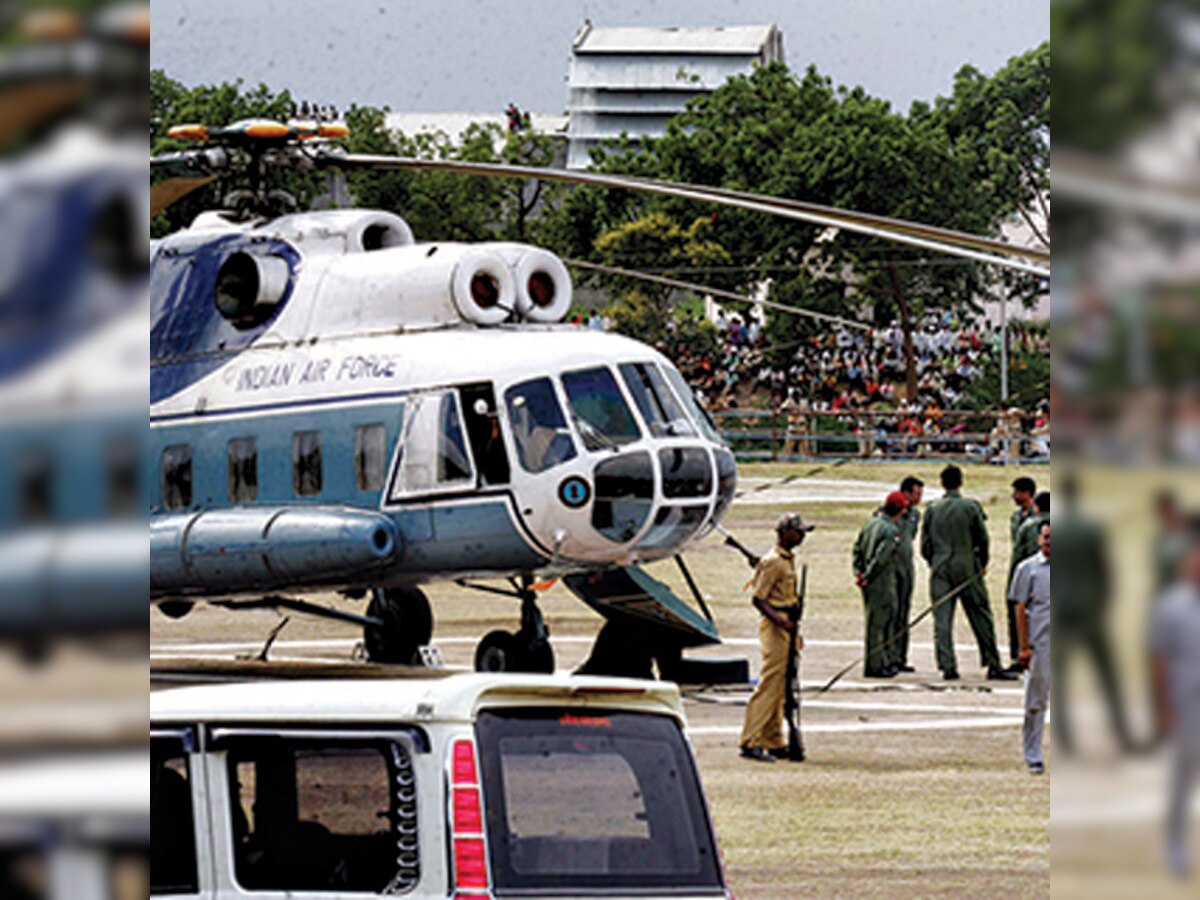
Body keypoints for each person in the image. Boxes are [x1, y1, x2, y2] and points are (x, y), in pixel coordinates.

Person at [1054, 473, 1135, 753]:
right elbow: (1105, 570)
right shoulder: (1091, 529)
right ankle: (1120, 729)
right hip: (1089, 605)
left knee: (1062, 673)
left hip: (1063, 607)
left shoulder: (1056, 530)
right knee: (1106, 670)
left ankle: (1064, 735)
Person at [920, 465, 1016, 681]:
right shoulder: (970, 507)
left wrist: (934, 562)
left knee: (942, 620)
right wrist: (981, 563)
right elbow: (982, 539)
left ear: (942, 482)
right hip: (967, 564)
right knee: (980, 615)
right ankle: (992, 663)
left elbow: (925, 545)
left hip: (940, 565)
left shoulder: (932, 509)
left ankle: (948, 666)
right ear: (961, 482)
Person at [739, 512, 815, 762]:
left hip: (787, 626)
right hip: (776, 626)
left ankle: (773, 739)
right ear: (785, 533)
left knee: (782, 686)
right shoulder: (772, 562)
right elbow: (758, 599)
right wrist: (782, 621)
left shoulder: (787, 560)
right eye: (798, 531)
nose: (802, 535)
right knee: (770, 684)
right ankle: (751, 739)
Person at [1150, 521, 1200, 876]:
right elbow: (1159, 659)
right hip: (1186, 702)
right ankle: (1176, 846)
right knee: (1182, 779)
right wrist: (1164, 708)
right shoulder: (1171, 606)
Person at [1011, 521, 1051, 775]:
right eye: (1046, 537)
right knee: (1035, 702)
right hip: (1041, 644)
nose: (1050, 542)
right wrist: (1024, 647)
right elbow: (1019, 608)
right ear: (1039, 539)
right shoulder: (1028, 569)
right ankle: (1033, 754)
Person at [854, 492, 907, 677]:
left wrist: (859, 573)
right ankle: (875, 665)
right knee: (880, 624)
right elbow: (881, 558)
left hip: (869, 581)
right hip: (882, 581)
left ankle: (882, 661)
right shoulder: (890, 530)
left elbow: (857, 550)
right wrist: (868, 575)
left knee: (876, 622)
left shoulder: (870, 524)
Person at [1006, 477, 1038, 668]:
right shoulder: (1016, 517)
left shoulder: (1041, 516)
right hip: (1020, 567)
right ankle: (1017, 654)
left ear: (1027, 494)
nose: (1014, 496)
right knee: (1015, 610)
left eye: (1018, 492)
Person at [894, 476, 924, 672]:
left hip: (906, 567)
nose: (919, 498)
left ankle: (900, 657)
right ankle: (887, 656)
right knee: (890, 614)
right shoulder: (890, 511)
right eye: (916, 494)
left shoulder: (915, 514)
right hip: (891, 568)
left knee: (903, 613)